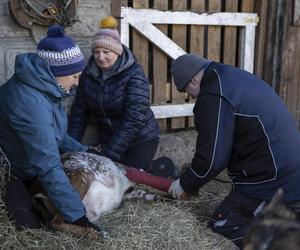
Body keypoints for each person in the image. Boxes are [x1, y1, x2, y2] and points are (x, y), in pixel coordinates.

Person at [168, 53, 300, 248]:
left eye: (186, 89)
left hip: (269, 177)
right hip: (288, 165)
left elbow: (212, 159)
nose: (191, 96)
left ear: (193, 79)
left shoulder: (213, 94)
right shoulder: (230, 75)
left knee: (223, 225)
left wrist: (185, 184)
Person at [0, 25, 100, 233]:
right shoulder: (29, 103)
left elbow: (54, 134)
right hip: (9, 170)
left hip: (28, 164)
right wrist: (78, 216)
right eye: (74, 76)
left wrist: (84, 150)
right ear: (55, 73)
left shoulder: (48, 89)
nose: (77, 83)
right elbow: (47, 162)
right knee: (29, 227)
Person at [68, 16, 161, 173]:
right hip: (109, 139)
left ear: (117, 52)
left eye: (106, 51)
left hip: (140, 138)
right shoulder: (87, 74)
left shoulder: (134, 74)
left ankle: (158, 170)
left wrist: (110, 154)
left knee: (130, 179)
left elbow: (134, 118)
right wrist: (70, 149)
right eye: (96, 52)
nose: (100, 57)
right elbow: (79, 112)